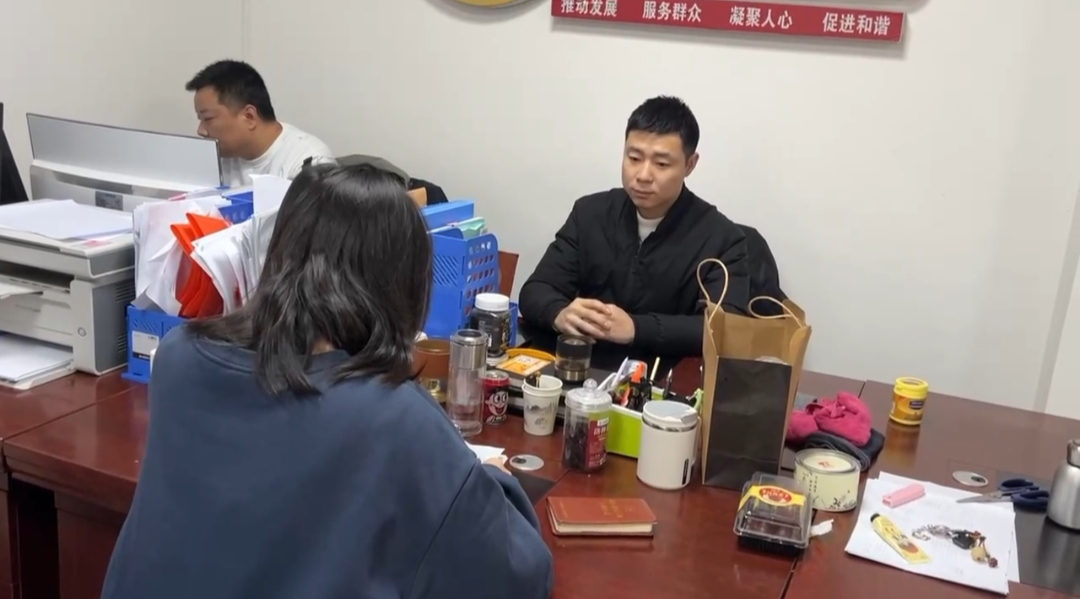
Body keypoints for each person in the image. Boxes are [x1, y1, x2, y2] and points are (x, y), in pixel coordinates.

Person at [100, 164, 554, 599]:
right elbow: (514, 575)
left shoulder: (179, 356)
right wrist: (493, 482)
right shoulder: (393, 416)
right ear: (403, 284)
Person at [519, 96, 749, 369]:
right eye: (634, 158)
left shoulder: (722, 239)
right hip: (583, 370)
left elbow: (722, 330)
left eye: (661, 164)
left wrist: (636, 328)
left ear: (690, 164)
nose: (643, 175)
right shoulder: (590, 214)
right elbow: (535, 291)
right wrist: (559, 313)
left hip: (662, 380)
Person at [186, 59, 336, 187]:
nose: (201, 131)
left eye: (208, 119)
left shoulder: (309, 163)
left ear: (249, 116)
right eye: (200, 119)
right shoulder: (216, 158)